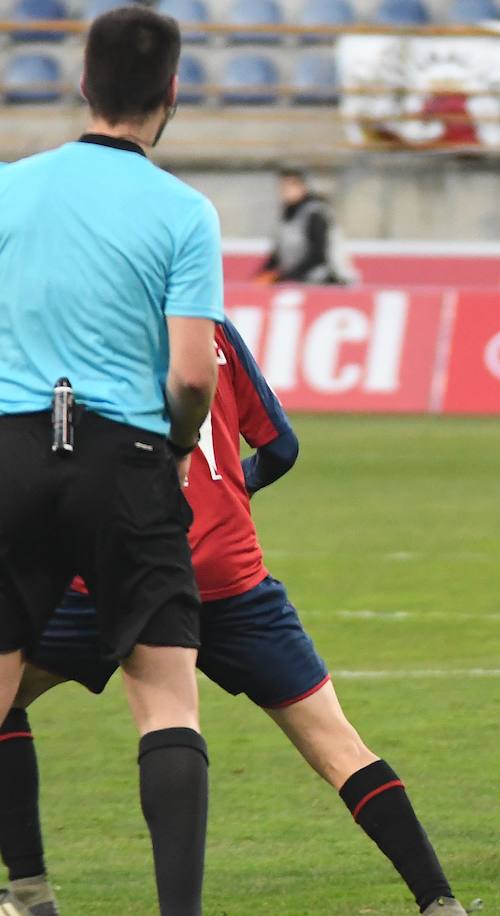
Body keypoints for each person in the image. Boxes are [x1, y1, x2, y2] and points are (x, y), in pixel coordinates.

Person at [0, 322, 471, 916]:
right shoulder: (210, 325)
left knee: (9, 695)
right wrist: (231, 491)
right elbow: (281, 447)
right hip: (233, 576)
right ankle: (438, 900)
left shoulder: (85, 323)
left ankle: (30, 890)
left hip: (111, 568)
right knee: (336, 743)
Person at [0, 8, 220, 915]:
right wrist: (170, 449)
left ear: (82, 85)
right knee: (167, 695)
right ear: (172, 93)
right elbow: (193, 377)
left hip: (11, 448)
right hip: (124, 456)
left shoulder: (9, 190)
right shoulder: (183, 210)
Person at [255, 168, 354, 285]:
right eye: (282, 187)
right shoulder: (286, 216)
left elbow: (318, 255)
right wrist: (263, 274)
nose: (284, 191)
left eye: (290, 186)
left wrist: (284, 277)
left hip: (329, 281)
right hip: (300, 281)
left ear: (303, 187)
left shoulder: (315, 213)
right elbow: (279, 255)